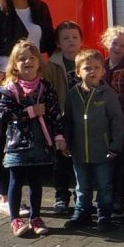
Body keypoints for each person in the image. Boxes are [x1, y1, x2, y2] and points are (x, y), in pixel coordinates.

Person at [0, 0, 55, 218]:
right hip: (7, 84)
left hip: (34, 82)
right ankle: (2, 193)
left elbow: (48, 43)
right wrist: (2, 80)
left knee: (33, 136)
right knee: (4, 139)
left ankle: (15, 194)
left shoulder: (40, 8)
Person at [0, 40, 65, 237]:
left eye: (32, 57)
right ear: (14, 65)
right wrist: (30, 111)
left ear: (38, 62)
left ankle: (35, 216)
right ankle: (15, 219)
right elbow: (5, 114)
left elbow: (54, 114)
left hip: (39, 144)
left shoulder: (45, 88)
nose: (28, 61)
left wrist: (58, 135)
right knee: (16, 180)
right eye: (22, 59)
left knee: (36, 181)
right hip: (17, 145)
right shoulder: (9, 89)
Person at [63, 50, 124, 233]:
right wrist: (66, 141)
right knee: (82, 186)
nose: (92, 71)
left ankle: (104, 216)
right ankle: (82, 214)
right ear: (77, 71)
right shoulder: (73, 94)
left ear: (103, 71)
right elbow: (67, 120)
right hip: (79, 151)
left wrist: (115, 145)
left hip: (103, 151)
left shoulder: (108, 94)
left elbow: (117, 120)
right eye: (87, 68)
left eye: (97, 68)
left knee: (105, 186)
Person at [49, 20, 84, 214]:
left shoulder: (89, 61)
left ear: (81, 41)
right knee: (60, 161)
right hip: (61, 119)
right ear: (58, 43)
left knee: (81, 158)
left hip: (83, 118)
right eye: (65, 38)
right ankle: (61, 196)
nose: (70, 41)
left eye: (74, 37)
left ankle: (82, 194)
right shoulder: (52, 65)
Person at [100, 25, 124, 218]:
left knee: (121, 162)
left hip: (121, 122)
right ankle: (106, 198)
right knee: (106, 162)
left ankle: (118, 200)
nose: (118, 48)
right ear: (106, 42)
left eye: (123, 45)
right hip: (102, 123)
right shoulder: (100, 65)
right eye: (114, 43)